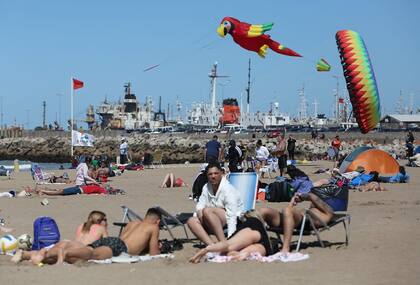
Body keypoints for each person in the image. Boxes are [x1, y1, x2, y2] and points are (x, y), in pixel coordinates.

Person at [56, 207, 161, 264]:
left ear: (146, 216)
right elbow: (153, 253)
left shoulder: (132, 223)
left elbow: (123, 239)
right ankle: (66, 252)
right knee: (93, 254)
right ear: (158, 221)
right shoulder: (153, 227)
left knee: (89, 251)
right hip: (120, 247)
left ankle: (55, 255)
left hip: (113, 241)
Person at [12, 211, 109, 265]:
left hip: (67, 243)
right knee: (56, 255)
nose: (106, 222)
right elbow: (107, 244)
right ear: (99, 220)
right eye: (105, 219)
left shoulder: (82, 226)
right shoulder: (101, 228)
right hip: (78, 248)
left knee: (49, 254)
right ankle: (39, 255)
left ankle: (24, 254)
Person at [187, 161, 243, 245]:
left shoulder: (228, 189)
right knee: (191, 221)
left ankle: (223, 242)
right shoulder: (206, 187)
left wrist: (231, 238)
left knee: (207, 211)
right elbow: (200, 204)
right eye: (210, 174)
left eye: (216, 173)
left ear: (221, 173)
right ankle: (212, 246)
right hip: (211, 219)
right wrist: (199, 212)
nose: (213, 176)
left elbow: (232, 216)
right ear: (207, 176)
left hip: (232, 219)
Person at [189, 210, 273, 263]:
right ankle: (207, 250)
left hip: (256, 237)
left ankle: (206, 250)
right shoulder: (257, 225)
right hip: (263, 245)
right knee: (233, 250)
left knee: (229, 247)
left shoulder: (251, 223)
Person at [35, 184, 108, 196]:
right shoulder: (97, 186)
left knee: (61, 192)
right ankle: (44, 190)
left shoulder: (102, 190)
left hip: (79, 191)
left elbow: (103, 195)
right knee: (60, 190)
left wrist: (95, 194)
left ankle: (43, 191)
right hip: (79, 188)